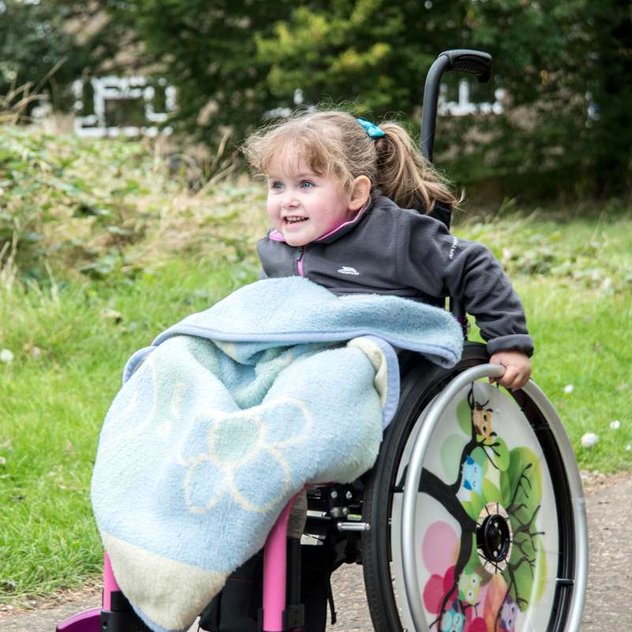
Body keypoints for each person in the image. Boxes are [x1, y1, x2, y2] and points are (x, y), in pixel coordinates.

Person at [200, 109, 533, 631]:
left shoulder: (398, 236)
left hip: (379, 373)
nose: (286, 199)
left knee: (326, 379)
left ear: (356, 193)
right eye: (276, 184)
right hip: (305, 373)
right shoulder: (278, 249)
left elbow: (471, 265)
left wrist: (508, 341)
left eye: (306, 184)